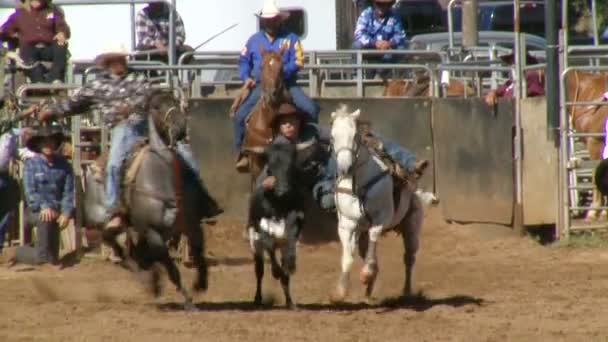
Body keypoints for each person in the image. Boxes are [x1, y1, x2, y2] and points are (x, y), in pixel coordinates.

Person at [37, 43, 222, 231]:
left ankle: (202, 200)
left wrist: (138, 107)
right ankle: (113, 210)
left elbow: (150, 97)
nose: (120, 63)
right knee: (114, 163)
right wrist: (51, 111)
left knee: (185, 152)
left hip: (148, 123)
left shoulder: (138, 77)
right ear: (108, 63)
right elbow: (73, 104)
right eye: (115, 60)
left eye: (121, 59)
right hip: (122, 128)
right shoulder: (97, 85)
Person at [256, 103, 428, 211]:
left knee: (361, 135)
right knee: (328, 201)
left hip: (332, 167)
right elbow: (266, 174)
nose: (289, 125)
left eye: (293, 120)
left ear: (299, 122)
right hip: (313, 184)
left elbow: (336, 134)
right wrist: (264, 184)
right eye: (284, 122)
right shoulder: (278, 147)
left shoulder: (311, 130)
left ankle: (409, 163)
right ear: (279, 126)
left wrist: (352, 132)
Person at [234, 0, 320, 170]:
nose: (270, 22)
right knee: (239, 116)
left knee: (311, 109)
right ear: (263, 21)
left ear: (279, 19)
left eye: (273, 19)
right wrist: (246, 77)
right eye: (267, 19)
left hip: (287, 84)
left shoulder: (291, 38)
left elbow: (299, 61)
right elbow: (243, 61)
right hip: (261, 85)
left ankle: (310, 147)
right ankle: (242, 153)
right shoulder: (253, 40)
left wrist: (280, 73)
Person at [5, 124, 73, 266]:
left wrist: (66, 213)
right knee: (45, 219)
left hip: (57, 212)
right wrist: (44, 206)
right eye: (44, 141)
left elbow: (68, 192)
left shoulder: (64, 165)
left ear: (55, 143)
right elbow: (30, 193)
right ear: (39, 144)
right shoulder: (31, 164)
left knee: (53, 258)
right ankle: (30, 255)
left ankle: (28, 252)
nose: (48, 144)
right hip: (35, 211)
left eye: (51, 141)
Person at [0, 0, 70, 83]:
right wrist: (11, 37)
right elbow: (4, 31)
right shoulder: (18, 15)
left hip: (48, 48)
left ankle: (55, 79)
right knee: (27, 55)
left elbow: (63, 28)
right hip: (29, 49)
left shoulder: (53, 11)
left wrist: (62, 33)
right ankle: (39, 83)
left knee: (61, 44)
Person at [352, 0, 407, 78]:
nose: (382, 7)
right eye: (379, 4)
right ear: (374, 3)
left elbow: (400, 35)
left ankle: (382, 76)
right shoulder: (366, 14)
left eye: (386, 4)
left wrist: (389, 43)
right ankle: (356, 77)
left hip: (386, 50)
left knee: (402, 47)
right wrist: (375, 43)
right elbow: (359, 34)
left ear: (390, 5)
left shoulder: (394, 15)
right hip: (369, 49)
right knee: (356, 45)